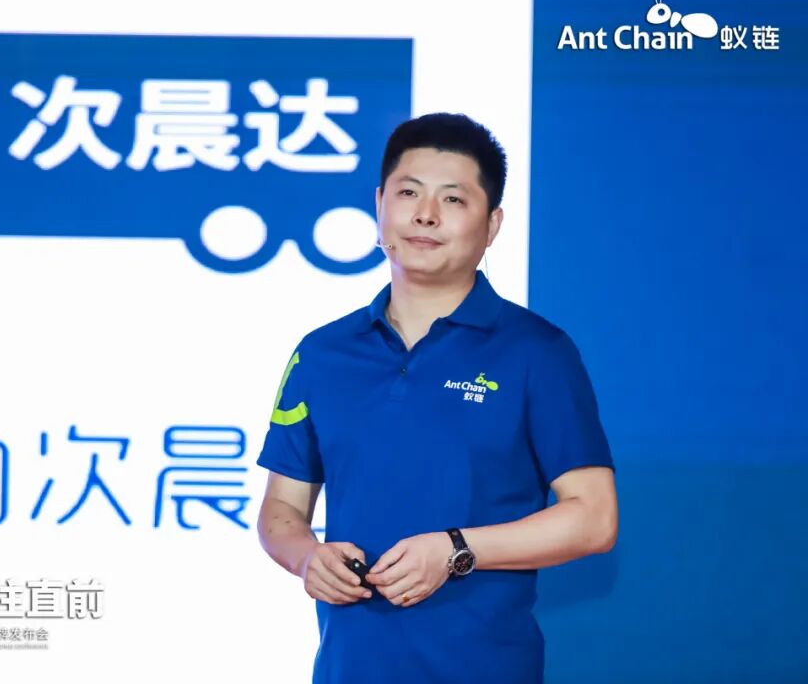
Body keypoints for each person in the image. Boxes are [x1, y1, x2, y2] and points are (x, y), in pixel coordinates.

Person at [255, 113, 618, 684]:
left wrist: (455, 550)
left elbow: (594, 518)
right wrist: (307, 558)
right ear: (379, 205)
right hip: (348, 669)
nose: (425, 214)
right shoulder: (322, 353)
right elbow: (281, 510)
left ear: (492, 225)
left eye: (453, 199)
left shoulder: (537, 352)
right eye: (408, 193)